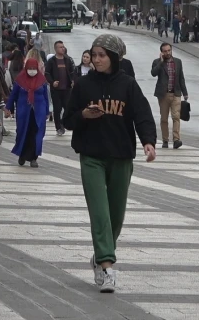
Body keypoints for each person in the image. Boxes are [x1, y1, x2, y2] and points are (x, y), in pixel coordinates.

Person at [62, 34, 157, 293]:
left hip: (121, 156)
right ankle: (106, 267)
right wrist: (83, 114)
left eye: (102, 55)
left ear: (114, 57)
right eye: (94, 55)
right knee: (100, 212)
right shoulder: (82, 85)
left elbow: (143, 115)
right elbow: (67, 119)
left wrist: (148, 141)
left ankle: (100, 254)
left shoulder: (127, 85)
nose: (97, 59)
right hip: (91, 155)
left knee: (116, 215)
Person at [5, 59, 50, 167]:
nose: (32, 71)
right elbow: (13, 95)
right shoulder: (20, 80)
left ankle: (34, 158)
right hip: (23, 112)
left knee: (37, 134)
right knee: (22, 132)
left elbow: (46, 97)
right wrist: (8, 108)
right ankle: (22, 155)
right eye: (30, 68)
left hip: (38, 112)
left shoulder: (42, 80)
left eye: (34, 69)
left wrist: (47, 111)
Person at [151, 43, 188, 149]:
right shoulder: (157, 62)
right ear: (161, 52)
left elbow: (181, 77)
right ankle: (165, 140)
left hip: (176, 93)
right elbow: (153, 73)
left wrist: (185, 92)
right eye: (165, 51)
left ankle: (176, 139)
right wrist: (161, 62)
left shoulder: (178, 62)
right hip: (163, 95)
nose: (167, 53)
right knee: (164, 119)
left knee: (176, 117)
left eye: (169, 50)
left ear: (171, 50)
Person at [45, 41, 75, 136]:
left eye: (63, 46)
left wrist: (73, 80)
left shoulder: (67, 60)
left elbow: (72, 72)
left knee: (67, 108)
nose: (63, 48)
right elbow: (47, 74)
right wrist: (52, 82)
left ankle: (63, 122)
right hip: (56, 90)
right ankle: (58, 127)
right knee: (57, 110)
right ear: (56, 49)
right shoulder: (52, 61)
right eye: (60, 47)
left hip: (66, 89)